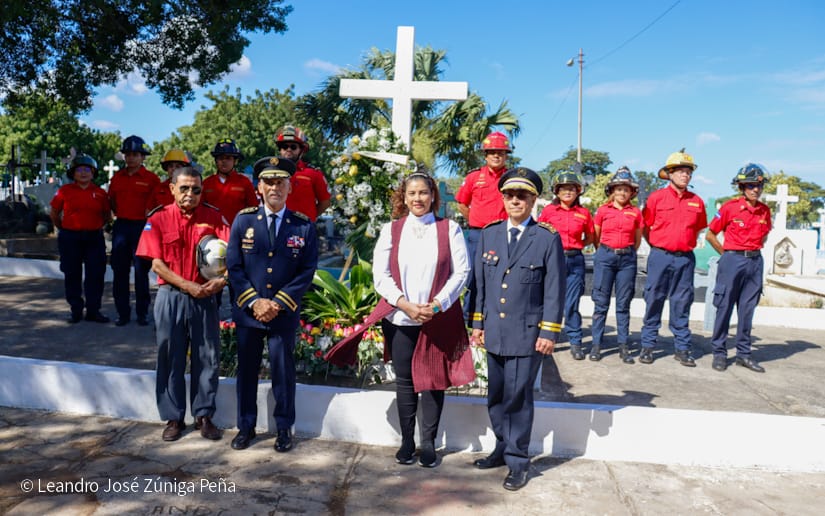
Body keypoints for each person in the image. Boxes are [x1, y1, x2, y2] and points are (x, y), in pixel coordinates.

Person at [468, 167, 565, 491]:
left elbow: (554, 290)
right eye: (509, 195)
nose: (514, 201)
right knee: (496, 396)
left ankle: (519, 462)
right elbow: (480, 285)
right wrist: (477, 325)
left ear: (533, 199)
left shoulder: (546, 238)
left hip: (527, 334)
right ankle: (501, 448)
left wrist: (549, 333)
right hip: (494, 331)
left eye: (522, 195)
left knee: (518, 399)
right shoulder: (489, 233)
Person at [371, 171, 474, 467]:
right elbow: (381, 276)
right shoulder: (391, 230)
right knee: (405, 381)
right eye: (412, 193)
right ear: (404, 197)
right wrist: (404, 305)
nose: (418, 198)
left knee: (433, 381)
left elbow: (462, 272)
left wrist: (438, 304)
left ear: (433, 197)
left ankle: (428, 442)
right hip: (401, 319)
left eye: (424, 193)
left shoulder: (449, 228)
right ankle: (407, 441)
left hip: (435, 317)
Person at [226, 156, 318, 453]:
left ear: (290, 187)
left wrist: (277, 302)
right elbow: (234, 266)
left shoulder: (303, 226)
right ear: (259, 187)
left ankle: (283, 430)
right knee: (247, 372)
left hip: (283, 313)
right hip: (249, 313)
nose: (274, 187)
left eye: (281, 182)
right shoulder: (244, 220)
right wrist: (254, 301)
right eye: (269, 182)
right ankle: (246, 427)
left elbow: (307, 270)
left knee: (283, 373)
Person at [135, 166, 229, 442]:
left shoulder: (213, 217)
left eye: (196, 189)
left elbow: (232, 256)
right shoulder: (159, 218)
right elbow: (157, 264)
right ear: (172, 188)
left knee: (207, 356)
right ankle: (174, 417)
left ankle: (204, 415)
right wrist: (187, 285)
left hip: (206, 296)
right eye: (184, 188)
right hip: (171, 297)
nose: (190, 194)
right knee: (170, 356)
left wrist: (222, 281)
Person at [640, 149, 707, 366]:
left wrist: (680, 246)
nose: (685, 175)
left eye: (688, 172)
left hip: (685, 259)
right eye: (680, 171)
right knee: (654, 299)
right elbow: (646, 227)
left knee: (682, 302)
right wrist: (660, 246)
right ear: (669, 174)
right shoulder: (656, 198)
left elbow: (697, 230)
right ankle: (648, 346)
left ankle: (682, 348)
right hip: (660, 256)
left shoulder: (697, 201)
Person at [706, 164, 772, 373]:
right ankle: (719, 352)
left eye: (759, 185)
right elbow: (710, 235)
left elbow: (765, 234)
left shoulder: (764, 211)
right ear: (742, 187)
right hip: (732, 260)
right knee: (724, 307)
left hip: (755, 262)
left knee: (747, 310)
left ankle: (744, 354)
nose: (755, 190)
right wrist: (726, 254)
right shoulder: (729, 208)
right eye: (751, 185)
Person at [537, 169, 594, 360]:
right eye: (563, 189)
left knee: (572, 303)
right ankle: (543, 341)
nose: (568, 192)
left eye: (572, 189)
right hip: (552, 260)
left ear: (578, 191)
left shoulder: (584, 213)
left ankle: (575, 342)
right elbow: (540, 234)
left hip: (575, 260)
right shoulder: (548, 211)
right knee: (548, 301)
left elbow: (591, 237)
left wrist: (577, 247)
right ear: (557, 192)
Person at [49, 153, 112, 324]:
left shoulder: (100, 193)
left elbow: (107, 215)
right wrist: (63, 228)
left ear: (93, 173)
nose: (83, 173)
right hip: (70, 238)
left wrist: (97, 225)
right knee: (72, 274)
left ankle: (93, 310)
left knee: (95, 275)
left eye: (87, 170)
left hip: (94, 238)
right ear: (73, 173)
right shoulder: (64, 191)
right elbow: (54, 213)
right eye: (79, 170)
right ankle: (76, 310)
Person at [455, 131, 511, 317]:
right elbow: (462, 203)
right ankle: (469, 320)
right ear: (485, 155)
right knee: (473, 277)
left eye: (501, 152)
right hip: (477, 235)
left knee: (503, 277)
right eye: (492, 151)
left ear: (506, 156)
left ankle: (497, 319)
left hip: (504, 234)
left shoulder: (512, 178)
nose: (496, 155)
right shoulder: (473, 178)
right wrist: (477, 219)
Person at [590, 167, 644, 363]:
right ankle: (596, 344)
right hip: (605, 256)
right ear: (612, 191)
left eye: (626, 190)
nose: (622, 193)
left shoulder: (636, 213)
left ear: (631, 193)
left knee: (623, 304)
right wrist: (606, 251)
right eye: (619, 189)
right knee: (601, 303)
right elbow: (596, 236)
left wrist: (625, 252)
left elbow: (637, 240)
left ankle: (623, 345)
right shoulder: (603, 211)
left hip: (627, 259)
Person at [108, 135, 160, 326]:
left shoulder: (151, 179)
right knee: (119, 272)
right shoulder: (117, 178)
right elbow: (112, 201)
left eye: (135, 154)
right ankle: (122, 313)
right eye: (128, 154)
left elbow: (155, 205)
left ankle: (142, 313)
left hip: (142, 228)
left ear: (142, 157)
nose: (131, 158)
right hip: (122, 226)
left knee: (141, 272)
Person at [275, 125, 331, 222]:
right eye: (284, 146)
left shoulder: (313, 174)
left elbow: (325, 202)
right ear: (280, 150)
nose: (288, 149)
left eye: (293, 147)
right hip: (277, 228)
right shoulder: (270, 172)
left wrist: (308, 219)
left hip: (304, 231)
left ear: (301, 150)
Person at [202, 138, 259, 225]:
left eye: (228, 158)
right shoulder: (206, 183)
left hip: (238, 232)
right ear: (216, 161)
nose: (224, 161)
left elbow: (254, 209)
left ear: (235, 161)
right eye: (221, 158)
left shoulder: (244, 182)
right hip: (212, 233)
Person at [145, 149, 191, 214]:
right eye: (170, 166)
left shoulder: (192, 189)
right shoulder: (158, 188)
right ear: (167, 169)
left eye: (177, 166)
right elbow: (148, 212)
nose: (173, 169)